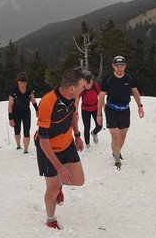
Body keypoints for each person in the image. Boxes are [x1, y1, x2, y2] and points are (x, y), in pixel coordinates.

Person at [34, 68, 86, 229]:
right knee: (52, 188)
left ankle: (59, 186)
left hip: (67, 143)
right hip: (48, 149)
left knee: (78, 180)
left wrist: (77, 135)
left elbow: (73, 116)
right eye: (82, 86)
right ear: (71, 88)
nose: (84, 89)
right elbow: (43, 141)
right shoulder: (48, 102)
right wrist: (60, 168)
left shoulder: (74, 97)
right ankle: (51, 220)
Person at [97, 55, 144, 169]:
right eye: (117, 66)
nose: (120, 68)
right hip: (111, 110)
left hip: (124, 110)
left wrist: (140, 106)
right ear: (113, 66)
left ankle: (116, 152)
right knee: (116, 137)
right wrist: (99, 114)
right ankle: (117, 159)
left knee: (122, 137)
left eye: (122, 66)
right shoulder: (108, 79)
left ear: (125, 66)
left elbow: (135, 91)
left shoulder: (129, 77)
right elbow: (101, 96)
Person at [8, 72, 38, 153]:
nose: (22, 84)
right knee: (17, 130)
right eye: (20, 82)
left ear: (26, 83)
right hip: (16, 113)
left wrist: (37, 110)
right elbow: (10, 105)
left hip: (26, 112)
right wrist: (10, 118)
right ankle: (18, 145)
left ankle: (26, 148)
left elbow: (33, 101)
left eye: (24, 83)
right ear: (18, 82)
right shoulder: (13, 91)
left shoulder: (29, 90)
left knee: (26, 131)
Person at [79, 72, 102, 148]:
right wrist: (74, 110)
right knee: (87, 127)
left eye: (91, 83)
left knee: (99, 125)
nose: (89, 85)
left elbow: (101, 95)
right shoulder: (81, 88)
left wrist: (104, 106)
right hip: (85, 109)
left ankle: (94, 133)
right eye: (87, 84)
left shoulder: (95, 86)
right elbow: (76, 99)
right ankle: (87, 143)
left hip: (96, 108)